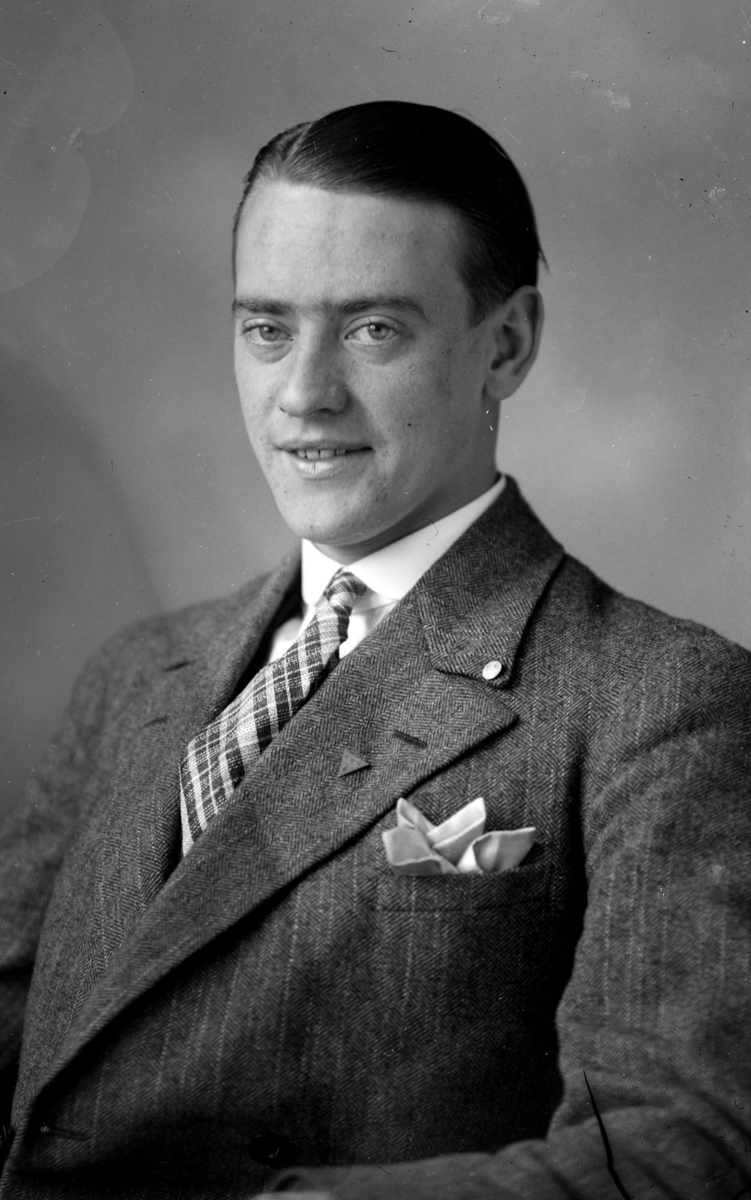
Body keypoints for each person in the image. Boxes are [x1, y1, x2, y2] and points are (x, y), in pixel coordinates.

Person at [0, 100, 749, 1200]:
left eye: (373, 330)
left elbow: (672, 1155)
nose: (304, 394)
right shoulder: (136, 672)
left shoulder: (661, 701)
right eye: (267, 328)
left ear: (506, 345)